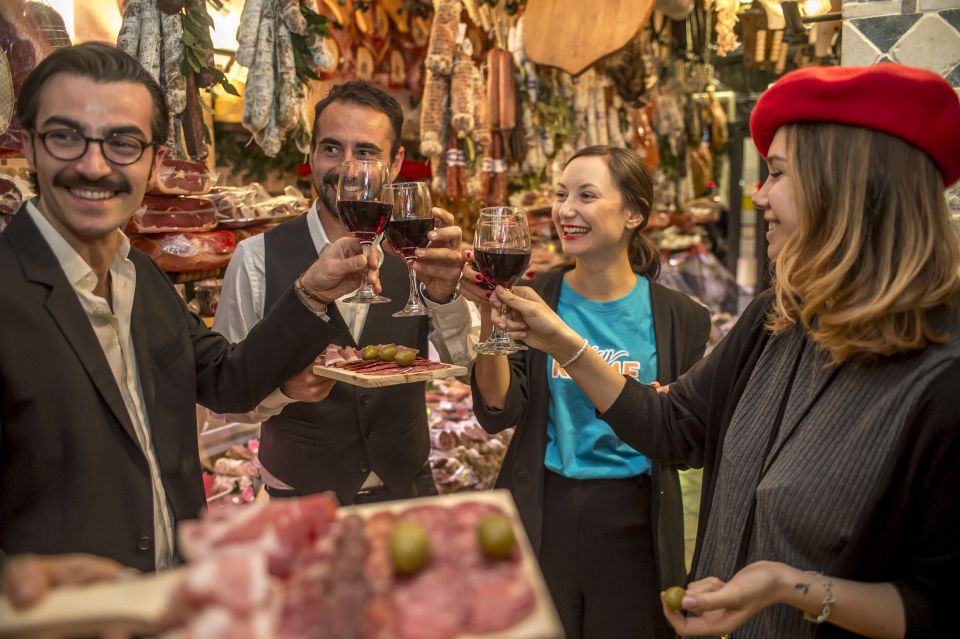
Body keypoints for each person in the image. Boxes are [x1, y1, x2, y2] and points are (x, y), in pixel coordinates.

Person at [488, 65, 960, 638]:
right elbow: (674, 425)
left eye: (776, 174)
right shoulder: (775, 320)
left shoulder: (942, 380)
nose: (758, 195)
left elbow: (934, 604)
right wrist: (560, 340)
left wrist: (790, 587)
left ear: (846, 188)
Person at [0, 43, 378, 577]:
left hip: (173, 595)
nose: (94, 165)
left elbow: (227, 380)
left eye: (122, 143)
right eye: (65, 137)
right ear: (29, 146)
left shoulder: (141, 277)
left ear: (154, 162)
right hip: (64, 614)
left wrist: (311, 294)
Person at [464, 146, 711, 639]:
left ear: (634, 213)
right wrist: (493, 314)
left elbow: (685, 439)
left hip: (635, 521)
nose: (565, 210)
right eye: (561, 195)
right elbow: (498, 409)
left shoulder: (681, 317)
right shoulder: (537, 298)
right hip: (546, 511)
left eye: (587, 195)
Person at [214, 81, 478, 505]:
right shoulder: (255, 258)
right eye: (332, 148)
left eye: (366, 152)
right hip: (301, 502)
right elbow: (225, 400)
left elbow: (467, 365)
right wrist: (284, 391)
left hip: (408, 494)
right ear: (311, 154)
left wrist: (446, 297)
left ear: (396, 163)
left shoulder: (418, 253)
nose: (348, 169)